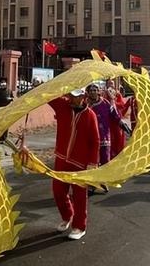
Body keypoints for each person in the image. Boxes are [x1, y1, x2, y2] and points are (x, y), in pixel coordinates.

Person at [41, 89, 100, 240]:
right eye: (72, 96)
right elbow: (47, 95)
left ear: (83, 96)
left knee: (80, 197)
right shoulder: (62, 106)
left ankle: (80, 226)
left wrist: (92, 163)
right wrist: (51, 87)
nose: (74, 99)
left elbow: (95, 141)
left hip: (81, 163)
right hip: (61, 159)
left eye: (77, 96)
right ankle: (68, 215)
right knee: (58, 192)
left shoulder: (90, 115)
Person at [87, 83, 129, 167]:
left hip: (104, 137)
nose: (93, 92)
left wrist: (122, 124)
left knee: (105, 162)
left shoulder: (105, 103)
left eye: (95, 90)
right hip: (90, 138)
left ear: (98, 92)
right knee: (91, 163)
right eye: (91, 91)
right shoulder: (85, 104)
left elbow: (114, 115)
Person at [105, 79, 130, 158]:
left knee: (118, 135)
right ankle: (110, 153)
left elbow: (122, 104)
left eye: (112, 83)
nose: (111, 85)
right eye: (109, 84)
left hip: (116, 117)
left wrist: (113, 103)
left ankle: (119, 153)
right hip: (108, 118)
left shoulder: (117, 94)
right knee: (109, 135)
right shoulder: (104, 93)